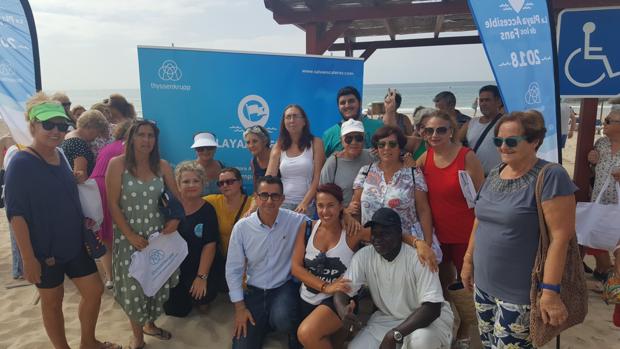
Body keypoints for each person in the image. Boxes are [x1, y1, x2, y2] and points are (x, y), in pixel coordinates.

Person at [5, 94, 120, 349]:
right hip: (45, 251)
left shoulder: (60, 155)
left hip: (74, 244)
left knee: (94, 291)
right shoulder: (21, 163)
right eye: (48, 125)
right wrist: (28, 258)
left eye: (62, 125)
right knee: (53, 301)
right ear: (33, 125)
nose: (56, 131)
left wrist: (75, 179)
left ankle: (88, 342)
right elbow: (16, 214)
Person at [461, 110, 578, 348]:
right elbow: (479, 220)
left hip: (520, 292)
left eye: (511, 141)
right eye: (498, 141)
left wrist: (550, 292)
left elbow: (560, 238)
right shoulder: (495, 172)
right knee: (488, 344)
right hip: (483, 284)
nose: (503, 146)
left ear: (534, 141)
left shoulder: (551, 176)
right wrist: (468, 261)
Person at [106, 120, 181, 349]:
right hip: (129, 239)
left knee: (154, 282)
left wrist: (175, 220)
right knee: (133, 288)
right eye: (141, 135)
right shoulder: (117, 165)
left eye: (151, 135)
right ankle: (137, 336)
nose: (146, 140)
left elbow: (176, 200)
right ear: (131, 138)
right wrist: (129, 235)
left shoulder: (163, 166)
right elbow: (112, 204)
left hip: (158, 238)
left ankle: (149, 324)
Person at [334, 208, 454, 349]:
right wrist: (343, 310)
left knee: (421, 342)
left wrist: (394, 335)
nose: (377, 239)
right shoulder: (364, 256)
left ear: (398, 234)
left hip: (428, 322)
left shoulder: (420, 258)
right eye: (374, 234)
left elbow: (432, 309)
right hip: (387, 319)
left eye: (384, 234)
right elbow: (341, 290)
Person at [417, 111, 485, 348]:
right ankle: (445, 326)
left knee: (465, 287)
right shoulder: (424, 159)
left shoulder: (467, 157)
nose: (434, 135)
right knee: (443, 285)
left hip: (465, 233)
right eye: (429, 130)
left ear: (452, 131)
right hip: (436, 236)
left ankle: (465, 329)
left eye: (441, 130)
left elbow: (482, 198)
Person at [225, 175, 306, 349]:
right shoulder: (242, 228)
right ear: (256, 197)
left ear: (282, 199)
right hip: (254, 290)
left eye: (275, 196)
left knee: (284, 319)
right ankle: (265, 322)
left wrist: (345, 215)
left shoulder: (296, 220)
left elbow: (324, 222)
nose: (269, 201)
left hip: (283, 288)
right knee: (242, 346)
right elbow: (233, 269)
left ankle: (292, 333)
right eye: (264, 195)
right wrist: (239, 308)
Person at [292, 184, 371, 349]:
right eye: (320, 205)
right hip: (307, 297)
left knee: (306, 333)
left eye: (331, 205)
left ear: (341, 206)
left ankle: (343, 329)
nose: (325, 211)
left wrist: (417, 243)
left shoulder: (352, 231)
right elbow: (296, 268)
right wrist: (325, 286)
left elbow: (387, 234)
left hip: (338, 301)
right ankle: (342, 333)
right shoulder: (307, 228)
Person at [351, 126, 435, 260]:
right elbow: (355, 209)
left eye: (392, 144)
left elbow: (423, 210)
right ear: (376, 148)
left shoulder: (413, 173)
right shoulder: (365, 172)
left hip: (406, 246)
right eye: (382, 144)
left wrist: (427, 243)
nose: (386, 148)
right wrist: (355, 242)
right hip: (371, 246)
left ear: (400, 147)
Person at [163, 161, 224, 317]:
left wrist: (201, 277)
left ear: (203, 183)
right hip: (173, 265)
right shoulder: (168, 206)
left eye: (196, 181)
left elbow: (210, 245)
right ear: (178, 184)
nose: (191, 185)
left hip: (198, 265)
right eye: (186, 181)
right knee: (176, 311)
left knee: (203, 297)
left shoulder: (208, 210)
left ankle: (203, 296)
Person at [587, 110, 620, 325]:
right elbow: (593, 170)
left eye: (609, 121)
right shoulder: (601, 144)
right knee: (593, 241)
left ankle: (614, 283)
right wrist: (590, 160)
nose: (604, 123)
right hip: (599, 203)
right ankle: (606, 273)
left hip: (619, 205)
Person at [89, 121, 131, 289]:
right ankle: (118, 275)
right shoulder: (126, 148)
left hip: (95, 187)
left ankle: (110, 277)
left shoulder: (108, 147)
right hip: (109, 187)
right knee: (115, 233)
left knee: (104, 235)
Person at [266, 104, 325, 216]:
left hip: (306, 205)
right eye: (288, 117)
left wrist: (304, 203)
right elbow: (269, 177)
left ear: (304, 121)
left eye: (295, 116)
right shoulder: (278, 146)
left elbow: (318, 178)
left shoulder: (316, 143)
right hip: (282, 204)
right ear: (284, 122)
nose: (291, 120)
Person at [319, 119, 373, 209]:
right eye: (348, 139)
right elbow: (322, 197)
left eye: (358, 138)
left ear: (364, 139)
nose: (354, 142)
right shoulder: (333, 163)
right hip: (343, 220)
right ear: (341, 140)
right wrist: (345, 211)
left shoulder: (373, 156)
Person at [204, 167, 254, 258]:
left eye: (230, 182)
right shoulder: (214, 201)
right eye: (221, 183)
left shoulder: (252, 203)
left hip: (250, 260)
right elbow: (194, 200)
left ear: (240, 182)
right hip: (226, 260)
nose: (225, 185)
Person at [322, 86, 384, 157]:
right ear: (338, 107)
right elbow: (322, 164)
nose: (347, 105)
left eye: (351, 101)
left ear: (360, 103)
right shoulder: (329, 135)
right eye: (342, 103)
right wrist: (334, 159)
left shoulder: (378, 126)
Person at [457, 85, 503, 176]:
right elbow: (453, 143)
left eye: (487, 100)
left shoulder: (505, 123)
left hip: (498, 177)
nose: (483, 104)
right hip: (474, 177)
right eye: (481, 101)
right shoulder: (471, 123)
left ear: (498, 102)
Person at [61, 109, 109, 182]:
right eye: (98, 131)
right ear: (91, 127)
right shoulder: (78, 143)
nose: (98, 135)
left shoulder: (69, 135)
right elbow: (80, 175)